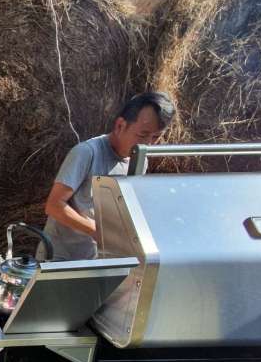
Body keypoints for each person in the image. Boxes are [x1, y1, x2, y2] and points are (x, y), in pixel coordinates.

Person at [36, 92, 176, 261]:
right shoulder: (87, 153)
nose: (148, 143)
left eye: (156, 137)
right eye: (142, 135)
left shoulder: (140, 162)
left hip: (96, 260)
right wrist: (98, 232)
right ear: (120, 125)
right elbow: (54, 205)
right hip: (59, 259)